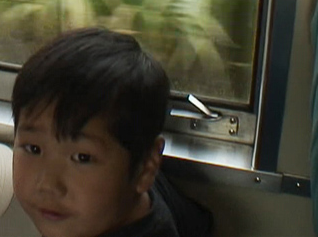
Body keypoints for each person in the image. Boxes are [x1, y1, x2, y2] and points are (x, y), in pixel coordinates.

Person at [11, 27, 213, 237]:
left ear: (146, 166)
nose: (47, 185)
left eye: (82, 157)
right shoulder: (140, 193)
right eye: (33, 148)